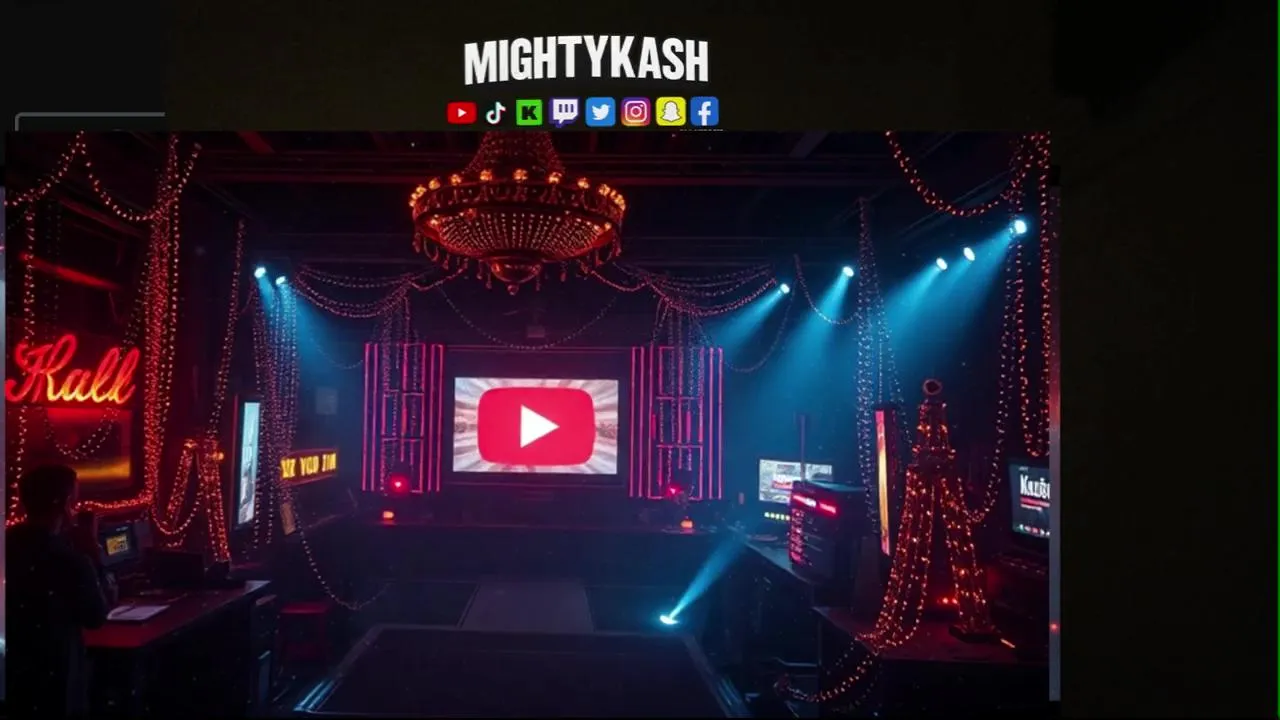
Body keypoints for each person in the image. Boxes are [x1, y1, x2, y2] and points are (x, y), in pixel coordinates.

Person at [7, 464, 118, 717]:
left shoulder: (8, 545)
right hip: (58, 676)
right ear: (66, 504)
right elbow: (96, 616)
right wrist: (93, 556)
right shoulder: (70, 560)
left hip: (14, 676)